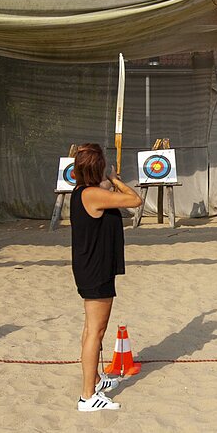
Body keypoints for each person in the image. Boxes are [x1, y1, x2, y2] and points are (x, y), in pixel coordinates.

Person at [70, 143, 143, 412]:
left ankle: (95, 380)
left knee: (91, 330)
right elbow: (135, 200)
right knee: (96, 332)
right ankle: (87, 396)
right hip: (96, 270)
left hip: (90, 266)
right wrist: (113, 178)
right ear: (96, 171)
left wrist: (107, 179)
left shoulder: (83, 192)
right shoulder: (92, 194)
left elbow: (108, 195)